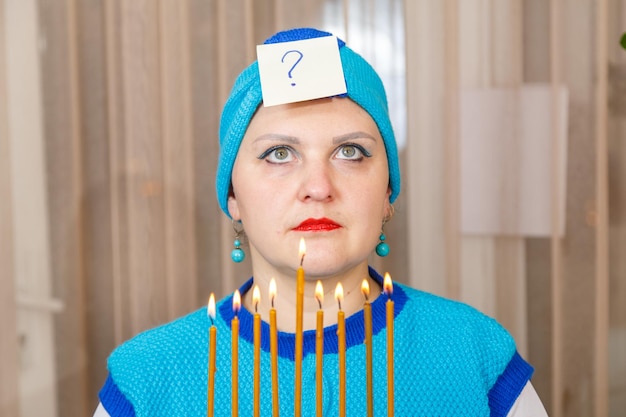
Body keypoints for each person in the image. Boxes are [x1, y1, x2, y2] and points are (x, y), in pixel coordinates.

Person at [93, 27, 548, 417]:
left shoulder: (474, 358)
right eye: (278, 154)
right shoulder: (146, 382)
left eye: (350, 152)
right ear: (233, 198)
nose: (318, 186)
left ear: (388, 193)